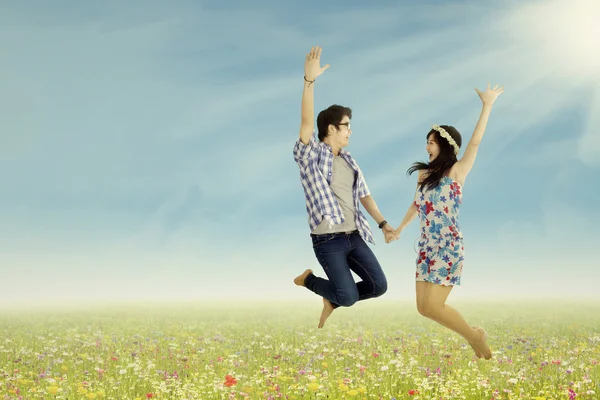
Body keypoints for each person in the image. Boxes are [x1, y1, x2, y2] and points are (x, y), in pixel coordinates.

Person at [391, 83, 504, 359]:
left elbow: (475, 142)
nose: (426, 146)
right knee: (424, 308)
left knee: (435, 305)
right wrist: (400, 229)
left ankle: (475, 336)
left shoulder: (457, 171)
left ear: (443, 145)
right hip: (427, 246)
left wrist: (487, 105)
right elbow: (417, 204)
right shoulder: (423, 176)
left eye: (430, 141)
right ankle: (473, 334)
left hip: (448, 245)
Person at [292, 46, 396, 329]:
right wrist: (309, 82)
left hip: (354, 236)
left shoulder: (350, 162)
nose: (350, 130)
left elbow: (365, 195)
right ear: (330, 129)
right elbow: (305, 121)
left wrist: (384, 224)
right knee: (349, 297)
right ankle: (309, 280)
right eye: (346, 125)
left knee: (378, 286)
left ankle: (333, 298)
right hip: (328, 241)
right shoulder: (311, 155)